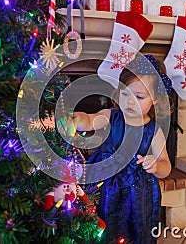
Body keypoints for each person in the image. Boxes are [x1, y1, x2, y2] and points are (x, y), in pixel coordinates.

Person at [60, 55, 172, 243]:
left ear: (154, 99)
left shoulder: (154, 131)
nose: (129, 101)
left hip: (137, 193)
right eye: (125, 93)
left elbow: (166, 166)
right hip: (104, 184)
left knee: (134, 230)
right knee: (102, 224)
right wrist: (77, 119)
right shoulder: (111, 116)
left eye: (139, 97)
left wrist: (155, 165)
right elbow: (89, 119)